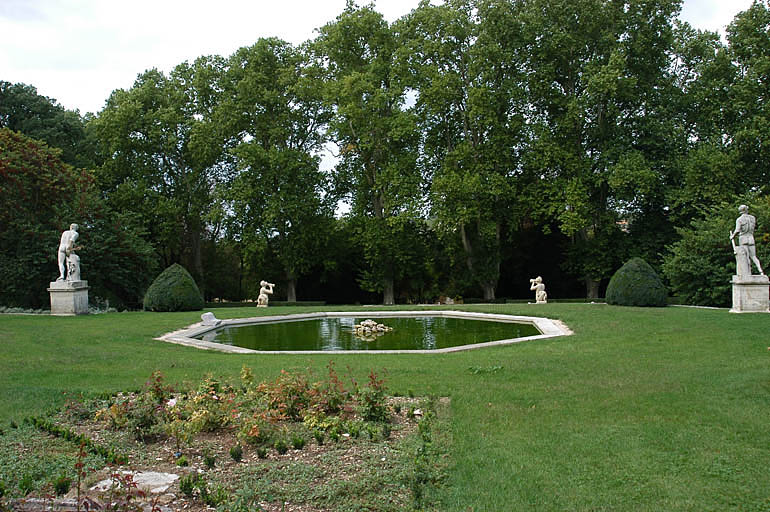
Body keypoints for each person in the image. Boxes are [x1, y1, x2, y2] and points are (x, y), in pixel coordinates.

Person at [730, 205, 764, 275]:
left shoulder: (739, 219)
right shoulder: (752, 218)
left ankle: (748, 273)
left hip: (743, 238)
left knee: (746, 257)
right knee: (754, 256)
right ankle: (760, 270)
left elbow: (737, 230)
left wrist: (732, 236)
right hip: (751, 238)